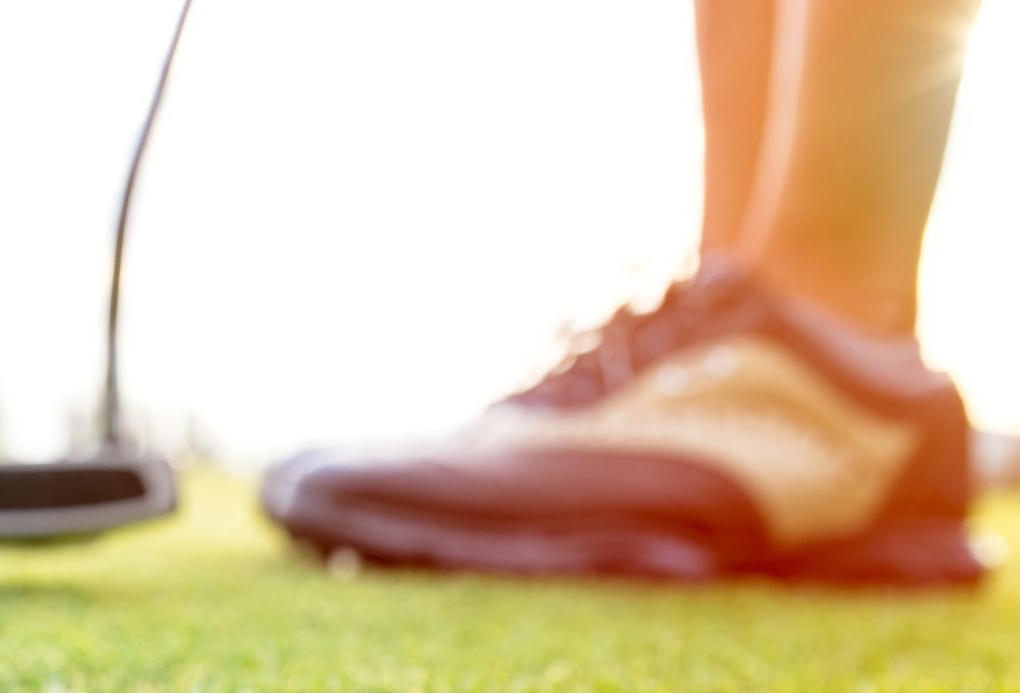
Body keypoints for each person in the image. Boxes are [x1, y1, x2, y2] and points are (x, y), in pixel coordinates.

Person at [263, 0, 988, 584]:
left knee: (818, 301)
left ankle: (822, 335)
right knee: (738, 269)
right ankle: (739, 300)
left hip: (836, 379)